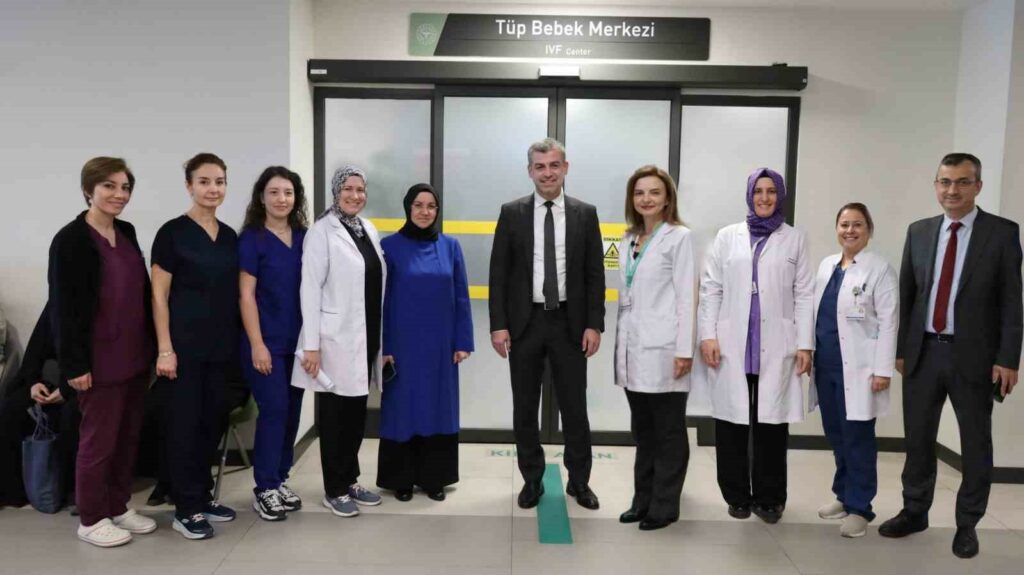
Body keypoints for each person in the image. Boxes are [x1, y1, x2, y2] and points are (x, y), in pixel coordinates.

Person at [879, 153, 1023, 559]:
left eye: (962, 182)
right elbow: (908, 294)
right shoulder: (920, 231)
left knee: (975, 443)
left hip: (974, 357)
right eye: (945, 182)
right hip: (923, 353)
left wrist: (1008, 358)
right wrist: (901, 350)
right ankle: (914, 511)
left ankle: (967, 523)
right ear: (936, 185)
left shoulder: (1001, 233)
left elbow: (1012, 301)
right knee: (918, 439)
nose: (952, 190)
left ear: (978, 186)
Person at [489, 138, 605, 510]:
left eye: (554, 165)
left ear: (565, 168)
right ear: (530, 171)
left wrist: (594, 324)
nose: (548, 173)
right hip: (525, 324)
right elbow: (498, 273)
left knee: (575, 408)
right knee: (525, 407)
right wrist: (498, 325)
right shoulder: (512, 213)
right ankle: (532, 479)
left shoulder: (585, 213)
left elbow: (594, 274)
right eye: (540, 166)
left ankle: (580, 481)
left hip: (570, 323)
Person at [47, 156, 156, 547]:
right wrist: (73, 365)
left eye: (125, 187)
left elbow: (140, 292)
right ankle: (91, 518)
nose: (119, 194)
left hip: (134, 355)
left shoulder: (126, 231)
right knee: (98, 442)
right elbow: (63, 308)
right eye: (109, 186)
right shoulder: (70, 240)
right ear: (88, 189)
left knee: (127, 438)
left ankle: (118, 506)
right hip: (97, 362)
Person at [696, 167, 813, 524]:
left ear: (780, 195)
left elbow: (804, 293)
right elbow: (711, 288)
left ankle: (770, 499)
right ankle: (736, 496)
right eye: (758, 191)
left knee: (772, 426)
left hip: (777, 345)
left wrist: (805, 344)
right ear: (749, 195)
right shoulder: (727, 236)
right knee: (731, 423)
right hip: (731, 344)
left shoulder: (795, 239)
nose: (764, 197)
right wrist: (708, 335)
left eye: (771, 191)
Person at [151, 153, 240, 540]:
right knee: (184, 427)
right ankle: (185, 508)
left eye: (219, 181)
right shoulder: (172, 233)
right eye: (204, 181)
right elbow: (158, 296)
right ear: (189, 186)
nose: (212, 189)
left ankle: (202, 496)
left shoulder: (230, 236)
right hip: (183, 349)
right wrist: (165, 349)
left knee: (211, 423)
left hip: (222, 349)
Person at [293, 166, 385, 518]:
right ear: (336, 191)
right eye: (348, 188)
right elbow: (309, 288)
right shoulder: (321, 232)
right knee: (335, 417)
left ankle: (350, 479)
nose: (355, 195)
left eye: (360, 189)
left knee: (356, 413)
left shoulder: (368, 229)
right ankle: (334, 489)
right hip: (334, 339)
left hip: (365, 335)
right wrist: (311, 344)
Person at [377, 183, 473, 502]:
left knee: (438, 408)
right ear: (408, 208)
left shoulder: (450, 247)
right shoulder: (388, 247)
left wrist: (463, 341)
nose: (424, 211)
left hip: (441, 346)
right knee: (403, 409)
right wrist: (384, 347)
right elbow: (381, 301)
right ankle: (401, 479)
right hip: (401, 346)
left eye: (431, 206)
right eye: (418, 205)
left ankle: (435, 478)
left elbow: (461, 296)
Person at [614, 166, 695, 531]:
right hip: (633, 348)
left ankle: (664, 505)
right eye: (639, 193)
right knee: (643, 431)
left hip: (665, 349)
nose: (646, 199)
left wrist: (684, 350)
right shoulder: (630, 238)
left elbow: (687, 297)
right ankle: (642, 500)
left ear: (667, 199)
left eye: (654, 192)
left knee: (669, 431)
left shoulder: (679, 238)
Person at [810, 203, 897, 538]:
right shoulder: (827, 266)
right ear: (837, 229)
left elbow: (889, 322)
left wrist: (883, 370)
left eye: (857, 224)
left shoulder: (879, 269)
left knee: (858, 437)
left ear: (868, 230)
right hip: (827, 366)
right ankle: (843, 496)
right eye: (844, 224)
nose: (850, 230)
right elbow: (814, 314)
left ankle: (861, 507)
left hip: (861, 369)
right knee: (836, 434)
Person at [238, 166, 309, 521]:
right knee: (275, 409)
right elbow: (246, 296)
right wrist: (257, 344)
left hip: (299, 344)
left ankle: (280, 478)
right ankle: (264, 487)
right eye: (274, 192)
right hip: (265, 343)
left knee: (292, 412)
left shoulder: (305, 237)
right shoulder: (252, 239)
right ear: (261, 198)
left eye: (288, 192)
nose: (282, 199)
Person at [0, 305, 79, 511]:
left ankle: (67, 489)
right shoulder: (55, 307)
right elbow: (35, 353)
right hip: (51, 383)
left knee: (71, 415)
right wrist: (33, 384)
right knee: (12, 408)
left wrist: (67, 390)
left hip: (83, 384)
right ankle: (14, 492)